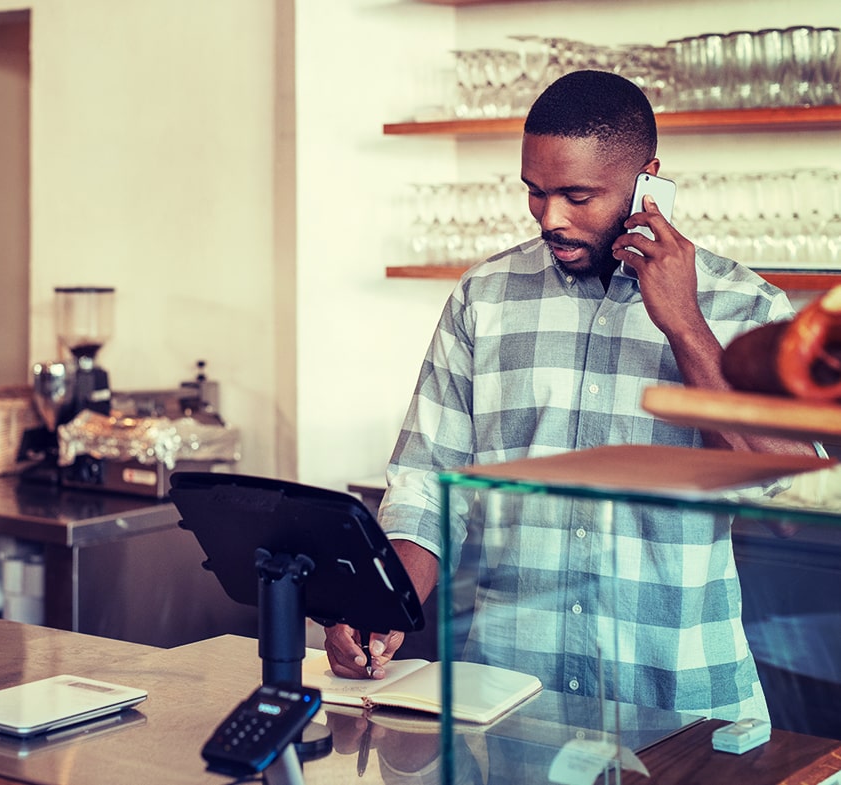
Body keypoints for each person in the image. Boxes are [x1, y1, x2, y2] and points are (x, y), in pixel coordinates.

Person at [325, 71, 815, 722]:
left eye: (577, 196)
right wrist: (382, 603)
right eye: (535, 193)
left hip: (685, 707)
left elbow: (788, 493)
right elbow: (425, 487)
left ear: (648, 179)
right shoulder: (486, 297)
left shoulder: (746, 305)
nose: (550, 217)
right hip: (506, 702)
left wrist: (685, 325)